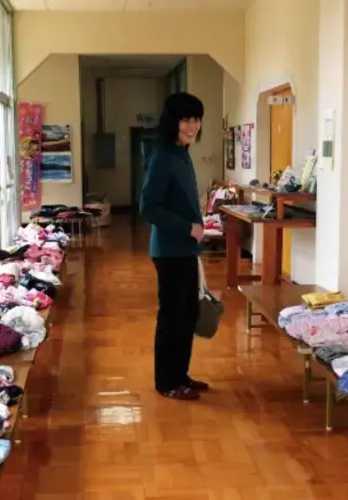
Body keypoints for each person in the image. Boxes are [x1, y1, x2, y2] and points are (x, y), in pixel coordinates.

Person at [138, 92, 208, 401]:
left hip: (186, 248)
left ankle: (180, 375)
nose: (191, 126)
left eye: (195, 119)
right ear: (173, 122)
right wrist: (188, 227)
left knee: (188, 314)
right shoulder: (164, 154)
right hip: (169, 250)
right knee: (173, 317)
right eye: (185, 119)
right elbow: (147, 207)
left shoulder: (182, 151)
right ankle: (166, 382)